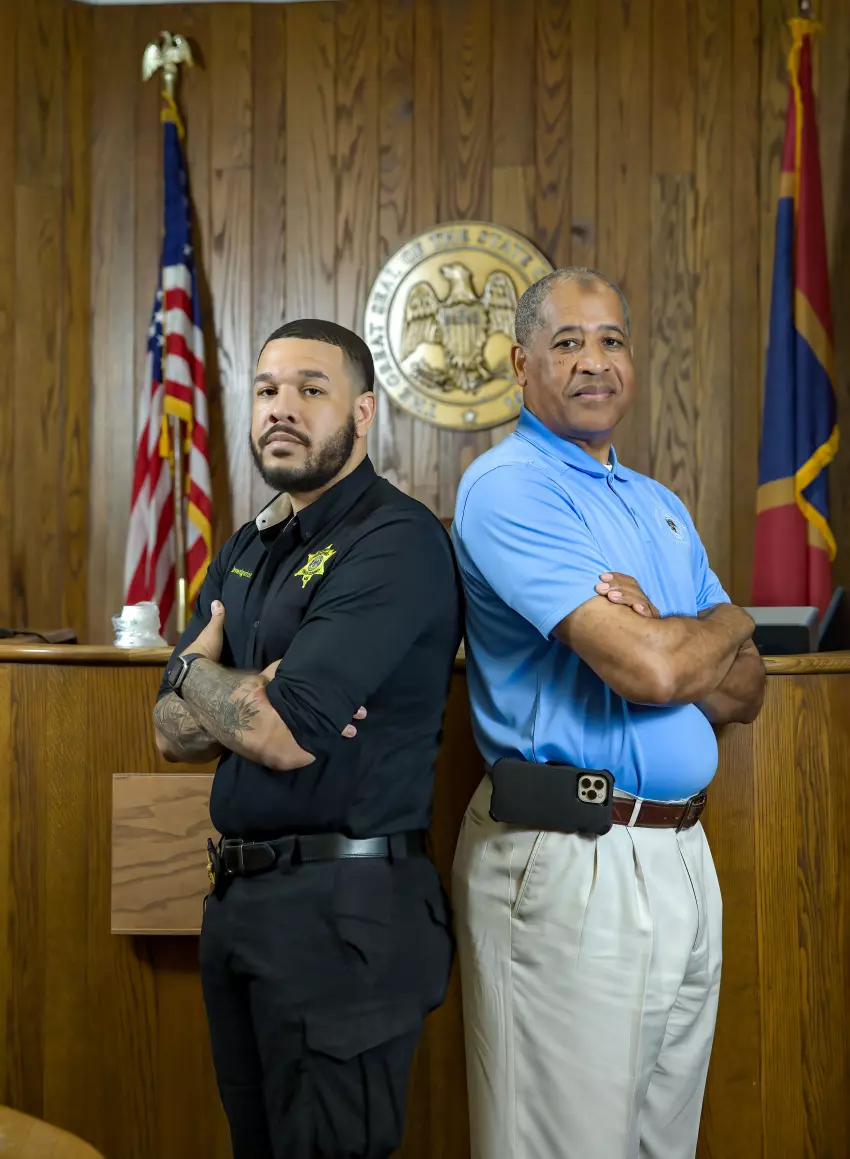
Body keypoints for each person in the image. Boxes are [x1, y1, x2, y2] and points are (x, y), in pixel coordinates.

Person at [450, 268, 765, 1159]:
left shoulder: (659, 506)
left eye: (612, 340)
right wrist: (724, 621)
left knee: (662, 1145)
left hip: (681, 852)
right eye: (568, 342)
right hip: (569, 856)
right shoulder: (508, 487)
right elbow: (652, 671)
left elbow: (746, 689)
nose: (595, 361)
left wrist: (684, 635)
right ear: (522, 364)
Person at [152, 318, 462, 1159]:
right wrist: (227, 690)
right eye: (266, 390)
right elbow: (171, 734)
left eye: (310, 389)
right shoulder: (249, 545)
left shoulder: (395, 539)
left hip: (344, 915)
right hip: (241, 903)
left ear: (362, 413)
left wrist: (193, 671)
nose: (280, 408)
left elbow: (282, 734)